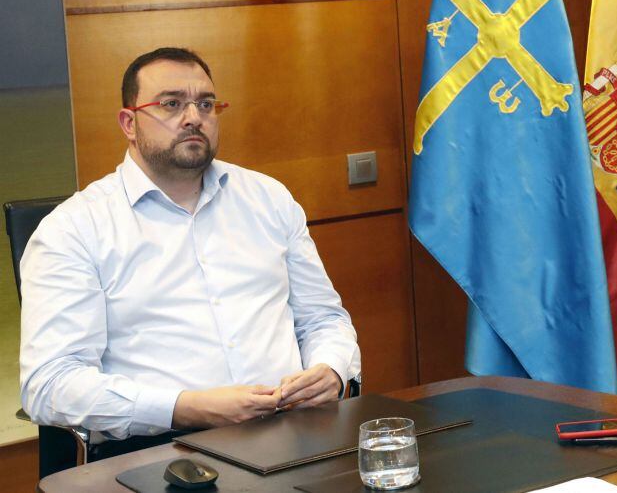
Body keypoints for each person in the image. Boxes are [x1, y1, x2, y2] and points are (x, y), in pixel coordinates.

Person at [20, 47, 361, 446]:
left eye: (205, 104)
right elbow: (50, 384)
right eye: (171, 104)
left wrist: (331, 370)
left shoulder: (269, 198)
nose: (193, 117)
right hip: (163, 452)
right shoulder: (74, 228)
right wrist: (185, 406)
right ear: (129, 123)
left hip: (294, 433)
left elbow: (323, 319)